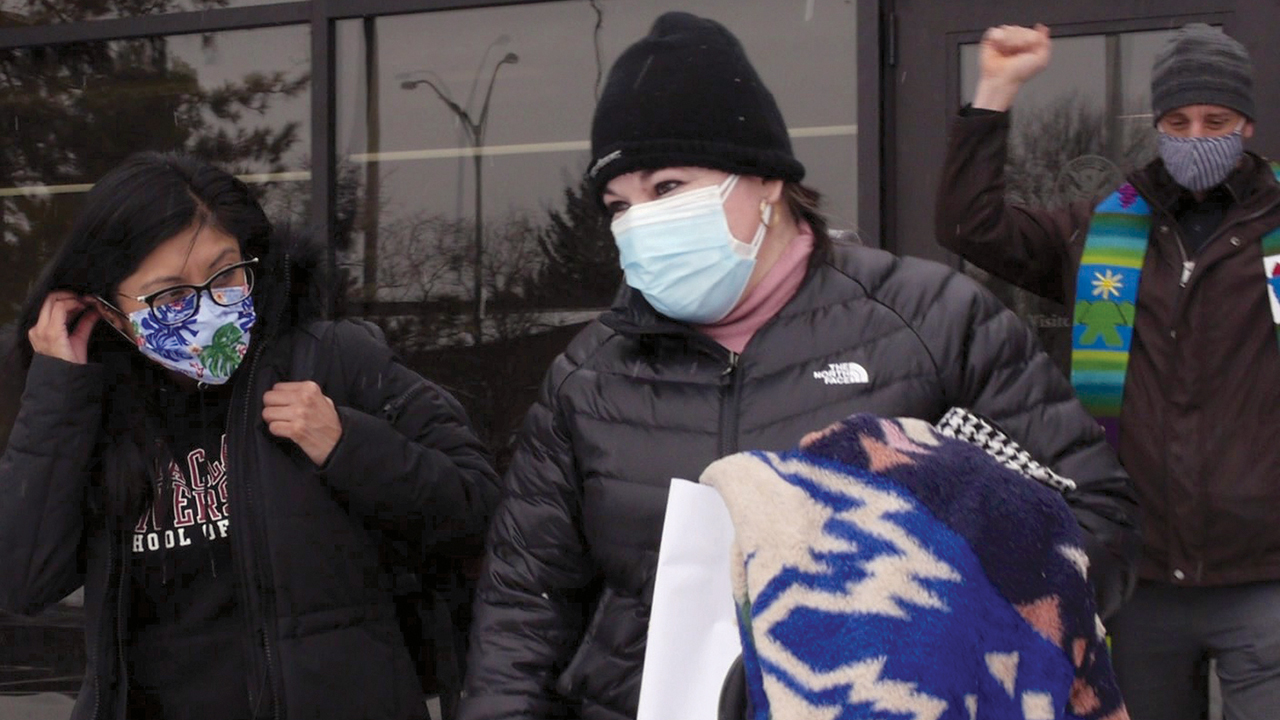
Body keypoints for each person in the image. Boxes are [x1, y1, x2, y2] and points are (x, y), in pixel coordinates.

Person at [459, 12, 1139, 720]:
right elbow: (522, 609)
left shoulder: (932, 321)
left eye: (666, 188)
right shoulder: (589, 376)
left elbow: (1095, 517)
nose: (640, 222)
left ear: (767, 182)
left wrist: (924, 612)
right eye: (617, 204)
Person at [0, 152, 500, 720]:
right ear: (112, 313)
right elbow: (21, 584)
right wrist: (56, 395)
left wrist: (348, 445)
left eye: (225, 273)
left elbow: (478, 512)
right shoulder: (97, 410)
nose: (208, 304)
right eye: (170, 296)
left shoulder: (334, 361)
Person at [935, 22, 1280, 720]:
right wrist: (996, 92)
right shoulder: (1099, 229)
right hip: (1138, 580)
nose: (1195, 137)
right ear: (1156, 127)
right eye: (1178, 122)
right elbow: (971, 226)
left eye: (1214, 120)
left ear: (1246, 125)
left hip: (1266, 578)